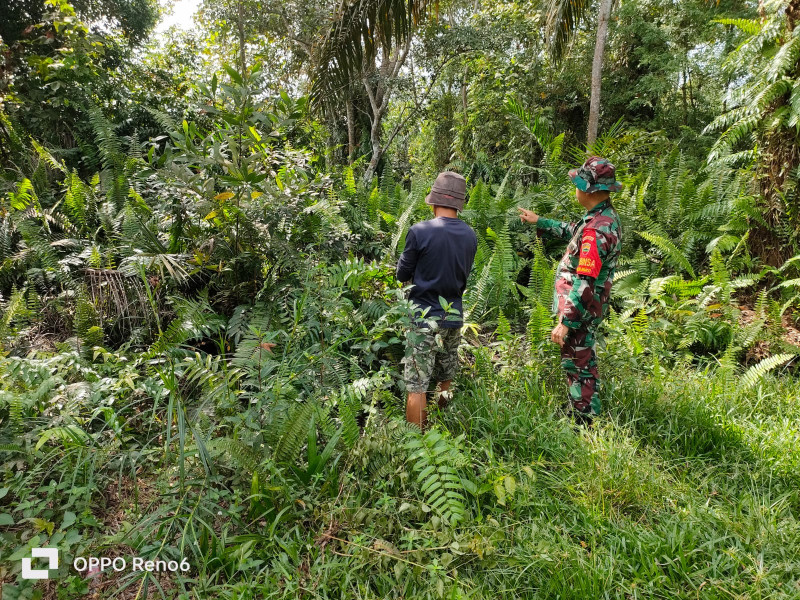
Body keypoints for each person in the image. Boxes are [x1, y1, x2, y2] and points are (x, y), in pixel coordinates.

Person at [518, 156, 622, 426]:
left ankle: (584, 422)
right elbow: (573, 231)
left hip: (580, 310)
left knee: (578, 364)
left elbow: (585, 281)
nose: (575, 188)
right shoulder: (601, 218)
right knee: (582, 361)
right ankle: (584, 412)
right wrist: (540, 221)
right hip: (586, 308)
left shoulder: (596, 231)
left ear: (589, 190)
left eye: (578, 184)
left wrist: (565, 321)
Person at [396, 171, 478, 429]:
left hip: (422, 318)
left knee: (417, 385)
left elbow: (401, 275)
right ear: (459, 204)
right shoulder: (470, 235)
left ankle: (416, 441)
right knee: (445, 378)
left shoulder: (419, 231)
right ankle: (438, 429)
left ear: (433, 201)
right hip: (453, 316)